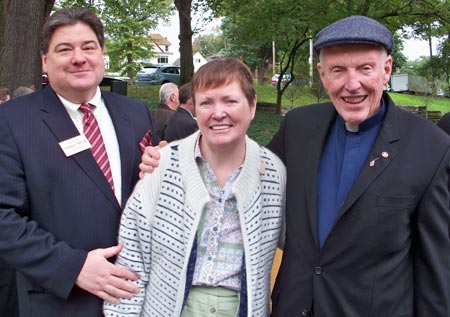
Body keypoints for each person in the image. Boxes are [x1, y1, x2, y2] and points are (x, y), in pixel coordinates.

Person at [140, 16, 450, 316]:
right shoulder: (300, 126)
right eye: (338, 70)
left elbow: (436, 273)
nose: (351, 84)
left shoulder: (431, 148)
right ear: (322, 74)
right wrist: (176, 162)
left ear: (387, 70)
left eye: (365, 68)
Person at [0, 7, 157, 317]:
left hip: (136, 297)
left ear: (101, 54)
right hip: (60, 301)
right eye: (64, 49)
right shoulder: (12, 121)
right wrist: (73, 268)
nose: (79, 57)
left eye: (88, 47)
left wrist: (161, 174)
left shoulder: (136, 113)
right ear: (44, 60)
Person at [103, 57, 286, 316]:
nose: (218, 112)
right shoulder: (163, 166)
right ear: (194, 108)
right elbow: (133, 262)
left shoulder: (273, 174)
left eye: (230, 101)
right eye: (207, 103)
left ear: (252, 106)